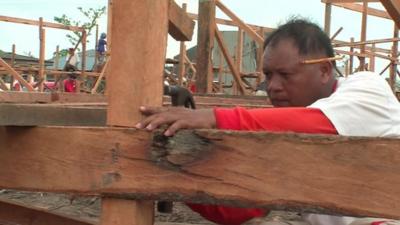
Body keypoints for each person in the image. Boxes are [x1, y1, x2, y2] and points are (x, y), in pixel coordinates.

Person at [135, 19, 400, 225]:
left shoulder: (367, 89)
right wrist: (175, 181)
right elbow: (245, 209)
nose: (272, 87)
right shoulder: (290, 145)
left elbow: (317, 123)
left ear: (324, 70)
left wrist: (209, 117)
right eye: (268, 75)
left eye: (285, 75)